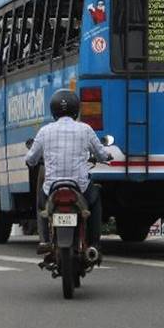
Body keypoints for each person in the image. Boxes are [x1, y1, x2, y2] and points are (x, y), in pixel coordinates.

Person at [25, 89, 112, 258]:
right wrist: (107, 156)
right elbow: (101, 154)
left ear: (53, 110)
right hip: (80, 187)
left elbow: (31, 159)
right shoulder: (85, 129)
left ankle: (44, 240)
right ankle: (94, 244)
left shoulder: (44, 131)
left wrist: (31, 161)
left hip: (52, 188)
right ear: (76, 109)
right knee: (95, 200)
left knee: (41, 203)